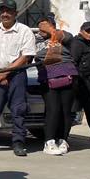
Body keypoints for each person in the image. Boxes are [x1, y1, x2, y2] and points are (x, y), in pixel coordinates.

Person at [0, 0, 37, 157]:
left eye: (8, 11)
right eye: (2, 11)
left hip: (16, 75)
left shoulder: (25, 31)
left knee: (18, 110)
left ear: (15, 13)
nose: (5, 14)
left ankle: (18, 143)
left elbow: (26, 56)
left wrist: (6, 72)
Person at [34, 15, 79, 155]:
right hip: (48, 76)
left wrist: (51, 31)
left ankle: (63, 140)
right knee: (53, 109)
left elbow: (68, 38)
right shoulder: (34, 40)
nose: (41, 29)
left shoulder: (61, 35)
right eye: (40, 26)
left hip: (68, 75)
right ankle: (49, 141)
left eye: (45, 26)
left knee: (66, 111)